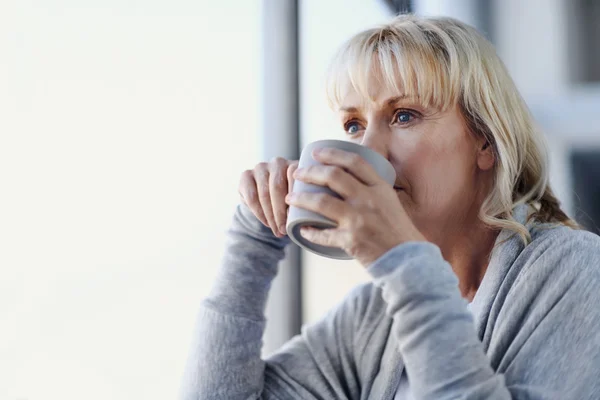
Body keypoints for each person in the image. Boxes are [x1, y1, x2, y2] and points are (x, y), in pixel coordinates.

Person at [179, 14, 600, 400]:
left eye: (403, 116)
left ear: (485, 140)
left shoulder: (576, 269)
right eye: (354, 125)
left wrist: (400, 262)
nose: (368, 148)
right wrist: (252, 240)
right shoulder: (371, 316)